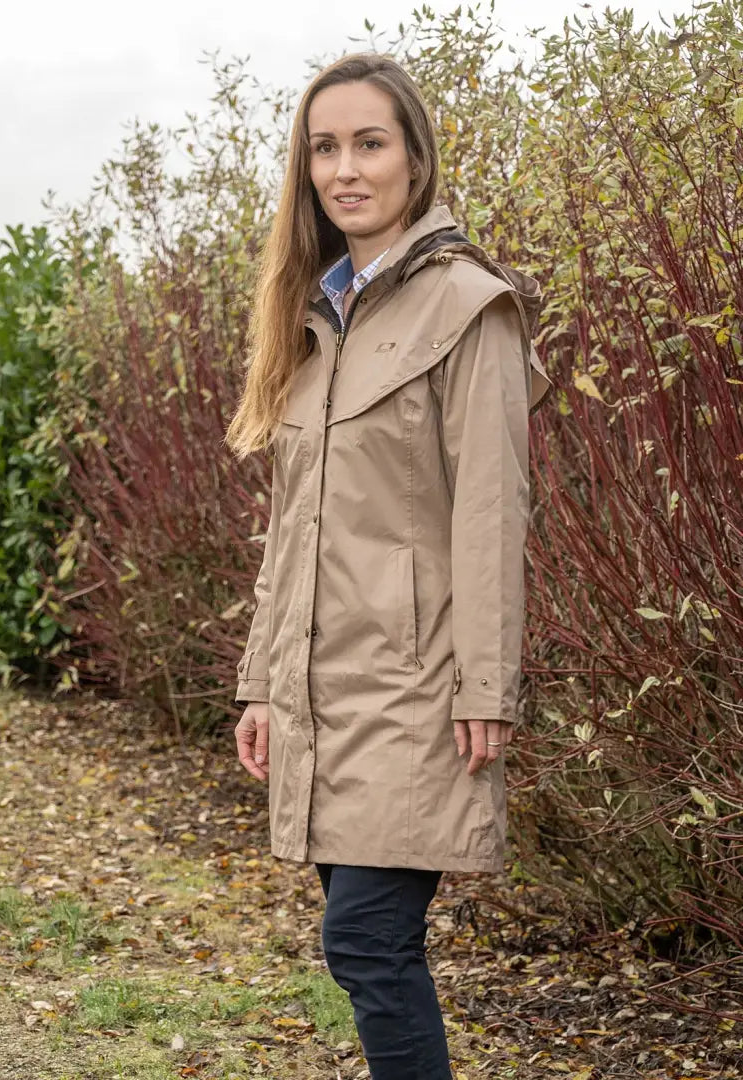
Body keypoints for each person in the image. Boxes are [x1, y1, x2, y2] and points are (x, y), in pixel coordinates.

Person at [223, 52, 552, 1079]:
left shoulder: (470, 308)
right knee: (367, 947)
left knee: (366, 941)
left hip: (419, 686)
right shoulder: (316, 314)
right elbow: (296, 527)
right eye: (325, 147)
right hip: (325, 685)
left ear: (415, 158)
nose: (345, 168)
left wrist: (486, 684)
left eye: (369, 143)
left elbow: (495, 513)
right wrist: (262, 683)